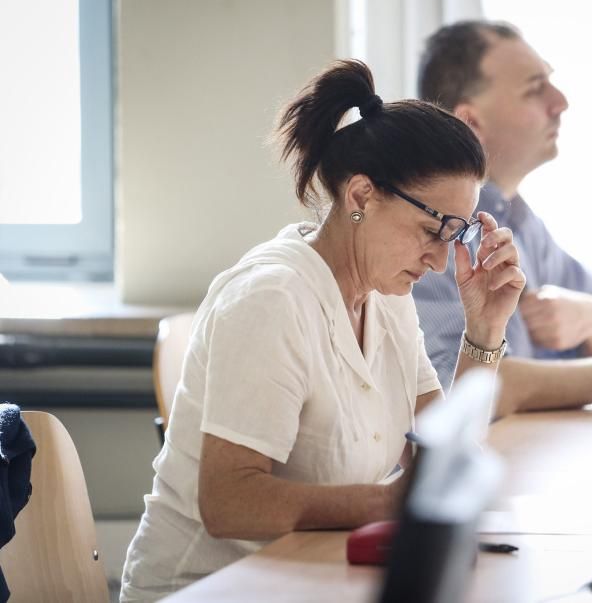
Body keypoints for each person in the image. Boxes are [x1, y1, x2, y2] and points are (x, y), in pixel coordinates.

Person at [119, 59, 525, 601]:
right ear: (360, 196)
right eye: (433, 229)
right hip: (212, 589)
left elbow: (437, 465)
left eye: (457, 234)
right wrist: (395, 503)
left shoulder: (384, 295)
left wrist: (485, 327)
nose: (438, 260)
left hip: (305, 577)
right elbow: (228, 503)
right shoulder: (273, 299)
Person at [413, 21, 592, 418]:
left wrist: (591, 318)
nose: (560, 102)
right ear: (471, 123)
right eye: (534, 89)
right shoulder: (434, 233)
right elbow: (463, 392)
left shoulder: (518, 219)